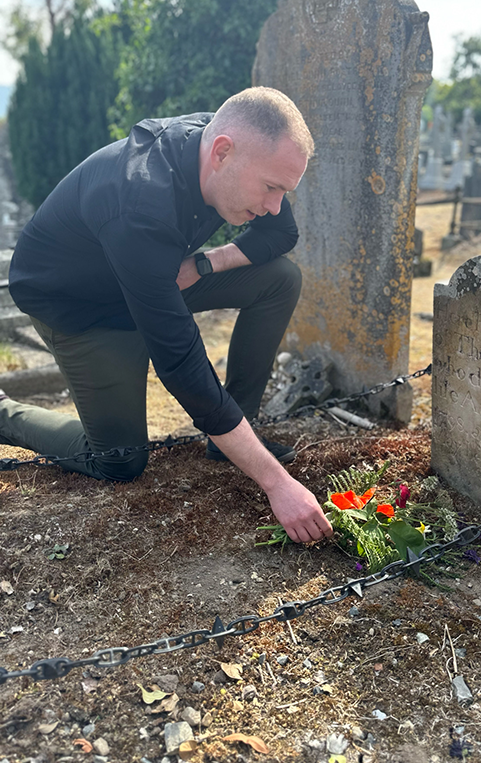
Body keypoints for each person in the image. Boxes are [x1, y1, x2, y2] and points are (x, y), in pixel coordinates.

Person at [1, 87, 333, 545]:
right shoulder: (140, 202)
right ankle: (4, 413)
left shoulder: (224, 143)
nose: (275, 204)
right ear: (222, 153)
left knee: (279, 278)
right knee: (120, 460)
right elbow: (180, 363)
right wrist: (275, 482)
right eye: (272, 187)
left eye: (284, 190)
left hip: (156, 277)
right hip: (82, 308)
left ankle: (235, 436)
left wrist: (203, 264)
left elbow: (282, 232)